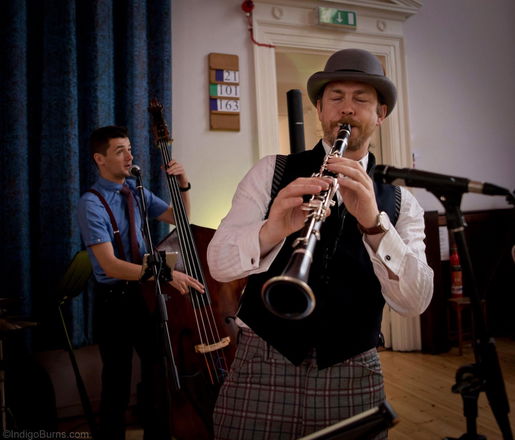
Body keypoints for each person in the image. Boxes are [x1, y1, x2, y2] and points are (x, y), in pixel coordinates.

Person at [207, 48, 434, 439]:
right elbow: (219, 265)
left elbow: (416, 302)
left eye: (361, 99)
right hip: (261, 365)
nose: (346, 108)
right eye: (336, 97)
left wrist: (375, 226)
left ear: (380, 114)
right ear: (320, 109)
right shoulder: (270, 171)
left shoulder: (402, 203)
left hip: (354, 374)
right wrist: (273, 229)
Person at [77, 125, 204, 440]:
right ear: (99, 159)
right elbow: (110, 265)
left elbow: (180, 219)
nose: (129, 157)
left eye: (130, 149)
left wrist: (183, 184)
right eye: (119, 151)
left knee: (158, 373)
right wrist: (166, 274)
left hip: (145, 294)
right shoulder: (91, 203)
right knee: (116, 379)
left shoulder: (137, 192)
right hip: (113, 298)